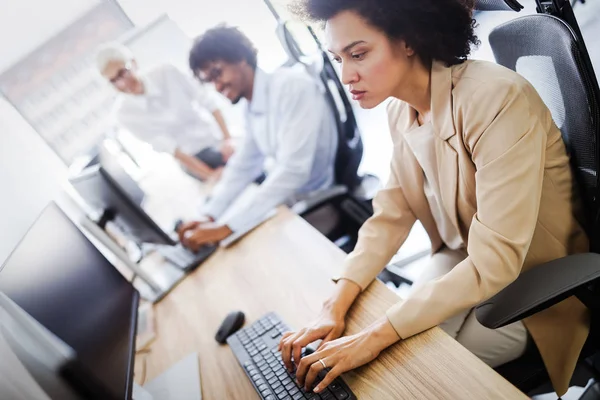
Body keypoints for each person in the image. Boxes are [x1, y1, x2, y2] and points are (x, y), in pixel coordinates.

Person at [278, 0, 589, 397]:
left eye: (358, 54)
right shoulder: (402, 112)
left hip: (534, 283)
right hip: (461, 258)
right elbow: (391, 216)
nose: (346, 75)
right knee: (370, 346)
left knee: (408, 374)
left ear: (408, 39)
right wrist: (335, 303)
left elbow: (495, 259)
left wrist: (377, 335)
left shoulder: (495, 98)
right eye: (338, 58)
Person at [176, 26, 338, 250]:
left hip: (316, 201)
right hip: (291, 199)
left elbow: (293, 170)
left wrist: (228, 226)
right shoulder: (252, 107)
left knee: (246, 255)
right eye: (210, 81)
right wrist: (210, 214)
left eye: (217, 73)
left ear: (240, 58)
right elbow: (243, 166)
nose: (217, 86)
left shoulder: (291, 87)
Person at [96, 43, 234, 182]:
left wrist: (228, 139)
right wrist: (210, 175)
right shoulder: (124, 114)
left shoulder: (166, 72)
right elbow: (171, 149)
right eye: (114, 81)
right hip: (193, 159)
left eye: (122, 73)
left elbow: (208, 101)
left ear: (133, 63)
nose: (122, 83)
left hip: (216, 137)